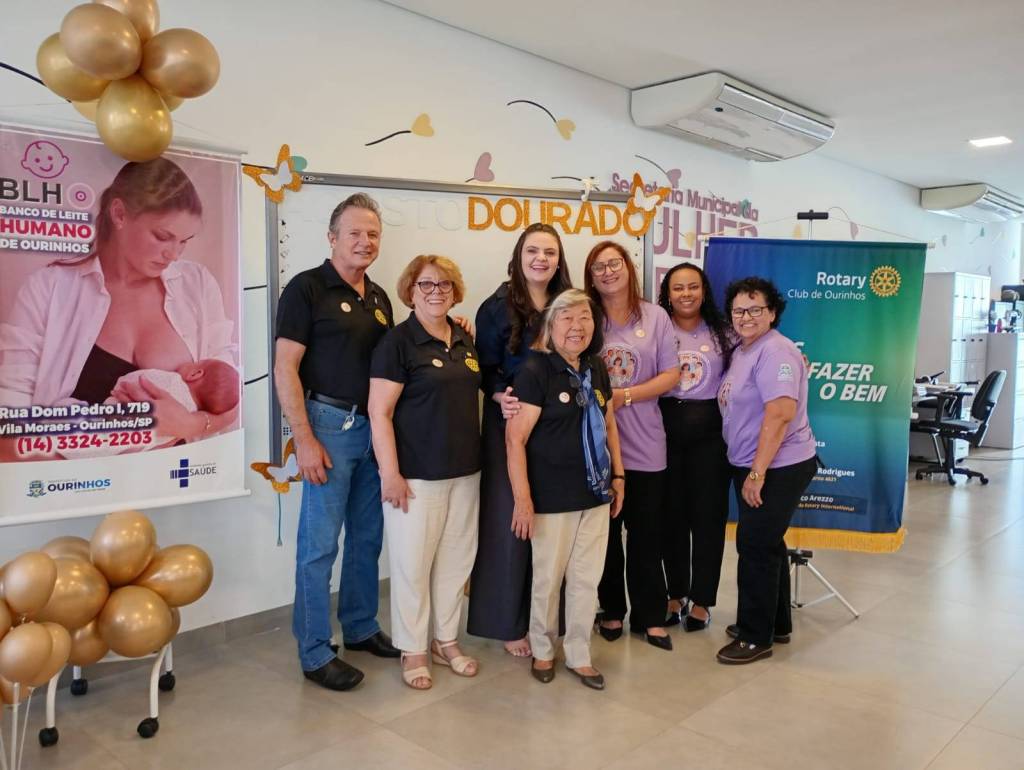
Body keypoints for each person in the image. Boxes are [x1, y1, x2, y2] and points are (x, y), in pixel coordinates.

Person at [0, 158, 238, 458]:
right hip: (72, 480)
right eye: (162, 237)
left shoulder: (197, 285)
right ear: (119, 214)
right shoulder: (49, 289)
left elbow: (230, 398)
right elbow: (8, 428)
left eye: (184, 241)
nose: (173, 255)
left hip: (178, 479)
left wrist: (189, 425)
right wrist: (102, 461)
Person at [274, 193, 400, 692]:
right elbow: (285, 367)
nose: (365, 242)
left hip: (375, 431)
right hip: (326, 427)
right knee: (319, 545)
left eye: (373, 234)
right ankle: (314, 650)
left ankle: (361, 626)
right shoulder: (306, 289)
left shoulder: (381, 297)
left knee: (367, 538)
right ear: (332, 238)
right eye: (355, 233)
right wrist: (303, 438)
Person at [369, 255, 482, 690]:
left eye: (444, 285)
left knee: (455, 563)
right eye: (427, 285)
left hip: (465, 472)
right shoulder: (396, 343)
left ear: (455, 291)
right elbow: (379, 413)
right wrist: (390, 474)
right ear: (410, 291)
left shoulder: (464, 338)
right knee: (412, 565)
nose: (436, 292)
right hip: (415, 476)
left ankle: (445, 640)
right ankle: (413, 647)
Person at [506, 289, 625, 689]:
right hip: (550, 497)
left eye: (585, 318)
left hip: (596, 492)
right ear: (551, 326)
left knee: (586, 579)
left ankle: (579, 654)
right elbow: (514, 439)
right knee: (548, 578)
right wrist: (523, 499)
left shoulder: (597, 367)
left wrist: (619, 476)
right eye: (567, 318)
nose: (577, 327)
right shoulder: (535, 370)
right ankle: (543, 649)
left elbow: (609, 423)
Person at [467, 223, 572, 658]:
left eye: (550, 252)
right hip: (510, 422)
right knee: (511, 524)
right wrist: (497, 395)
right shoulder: (495, 307)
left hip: (558, 428)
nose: (541, 259)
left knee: (551, 525)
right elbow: (482, 367)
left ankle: (547, 618)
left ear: (559, 260)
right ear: (518, 255)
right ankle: (509, 623)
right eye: (533, 251)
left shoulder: (569, 302)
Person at [716, 276, 817, 665]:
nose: (745, 317)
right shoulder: (746, 349)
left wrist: (757, 473)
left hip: (778, 465)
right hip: (752, 462)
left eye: (755, 309)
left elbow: (780, 414)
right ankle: (777, 624)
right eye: (738, 310)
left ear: (772, 313)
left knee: (755, 545)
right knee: (769, 542)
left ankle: (754, 637)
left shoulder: (776, 351)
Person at [585, 242, 680, 650]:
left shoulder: (656, 317)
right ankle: (611, 610)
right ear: (590, 277)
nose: (608, 271)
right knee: (604, 536)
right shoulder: (586, 316)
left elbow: (672, 374)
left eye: (614, 263)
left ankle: (650, 616)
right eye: (598, 267)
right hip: (596, 446)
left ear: (628, 267)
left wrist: (624, 396)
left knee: (646, 535)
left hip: (646, 443)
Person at [657, 263, 734, 632]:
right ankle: (675, 594)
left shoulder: (725, 332)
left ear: (704, 291)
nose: (685, 294)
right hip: (664, 434)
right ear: (667, 294)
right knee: (670, 516)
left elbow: (759, 354)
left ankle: (702, 600)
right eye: (677, 288)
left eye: (692, 287)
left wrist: (797, 359)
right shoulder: (659, 328)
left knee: (708, 518)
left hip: (711, 438)